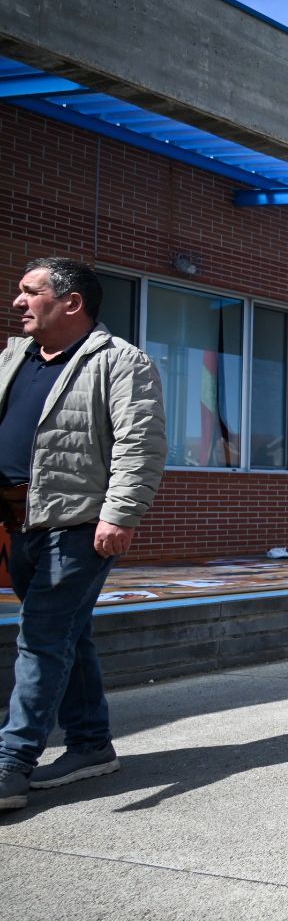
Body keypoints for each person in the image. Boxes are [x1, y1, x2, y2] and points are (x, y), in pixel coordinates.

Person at [0, 259, 166, 813]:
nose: (19, 301)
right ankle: (91, 743)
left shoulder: (120, 362)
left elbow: (140, 444)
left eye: (31, 291)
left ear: (71, 302)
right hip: (19, 523)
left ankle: (11, 762)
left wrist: (121, 515)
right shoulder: (14, 358)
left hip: (77, 526)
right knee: (68, 635)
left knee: (41, 640)